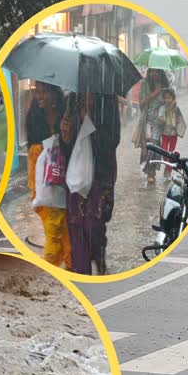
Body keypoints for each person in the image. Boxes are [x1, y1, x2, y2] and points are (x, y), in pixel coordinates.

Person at [61, 91, 120, 275]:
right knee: (76, 224)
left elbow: (113, 140)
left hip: (101, 174)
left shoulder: (108, 102)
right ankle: (82, 270)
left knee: (94, 223)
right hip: (76, 176)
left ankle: (98, 255)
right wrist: (65, 134)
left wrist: (92, 122)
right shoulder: (71, 101)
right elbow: (65, 145)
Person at [26, 81, 72, 269]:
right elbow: (32, 145)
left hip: (63, 176)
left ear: (55, 93)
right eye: (37, 92)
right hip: (41, 175)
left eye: (44, 92)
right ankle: (55, 263)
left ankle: (66, 264)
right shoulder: (34, 115)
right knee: (52, 224)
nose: (40, 97)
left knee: (64, 226)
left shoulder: (67, 114)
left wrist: (65, 131)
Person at [133, 68, 169, 186]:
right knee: (147, 147)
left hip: (159, 122)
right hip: (147, 121)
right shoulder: (145, 84)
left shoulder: (165, 85)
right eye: (152, 71)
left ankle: (151, 173)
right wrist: (155, 93)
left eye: (157, 72)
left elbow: (169, 102)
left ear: (161, 73)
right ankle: (149, 169)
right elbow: (141, 104)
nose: (154, 74)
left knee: (155, 146)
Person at [157, 88, 187, 181]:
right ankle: (167, 168)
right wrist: (162, 118)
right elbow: (160, 117)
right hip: (165, 133)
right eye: (165, 98)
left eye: (169, 98)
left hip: (174, 134)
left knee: (171, 152)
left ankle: (168, 171)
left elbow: (180, 119)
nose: (167, 100)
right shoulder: (162, 108)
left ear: (173, 98)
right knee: (165, 152)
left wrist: (178, 126)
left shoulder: (177, 108)